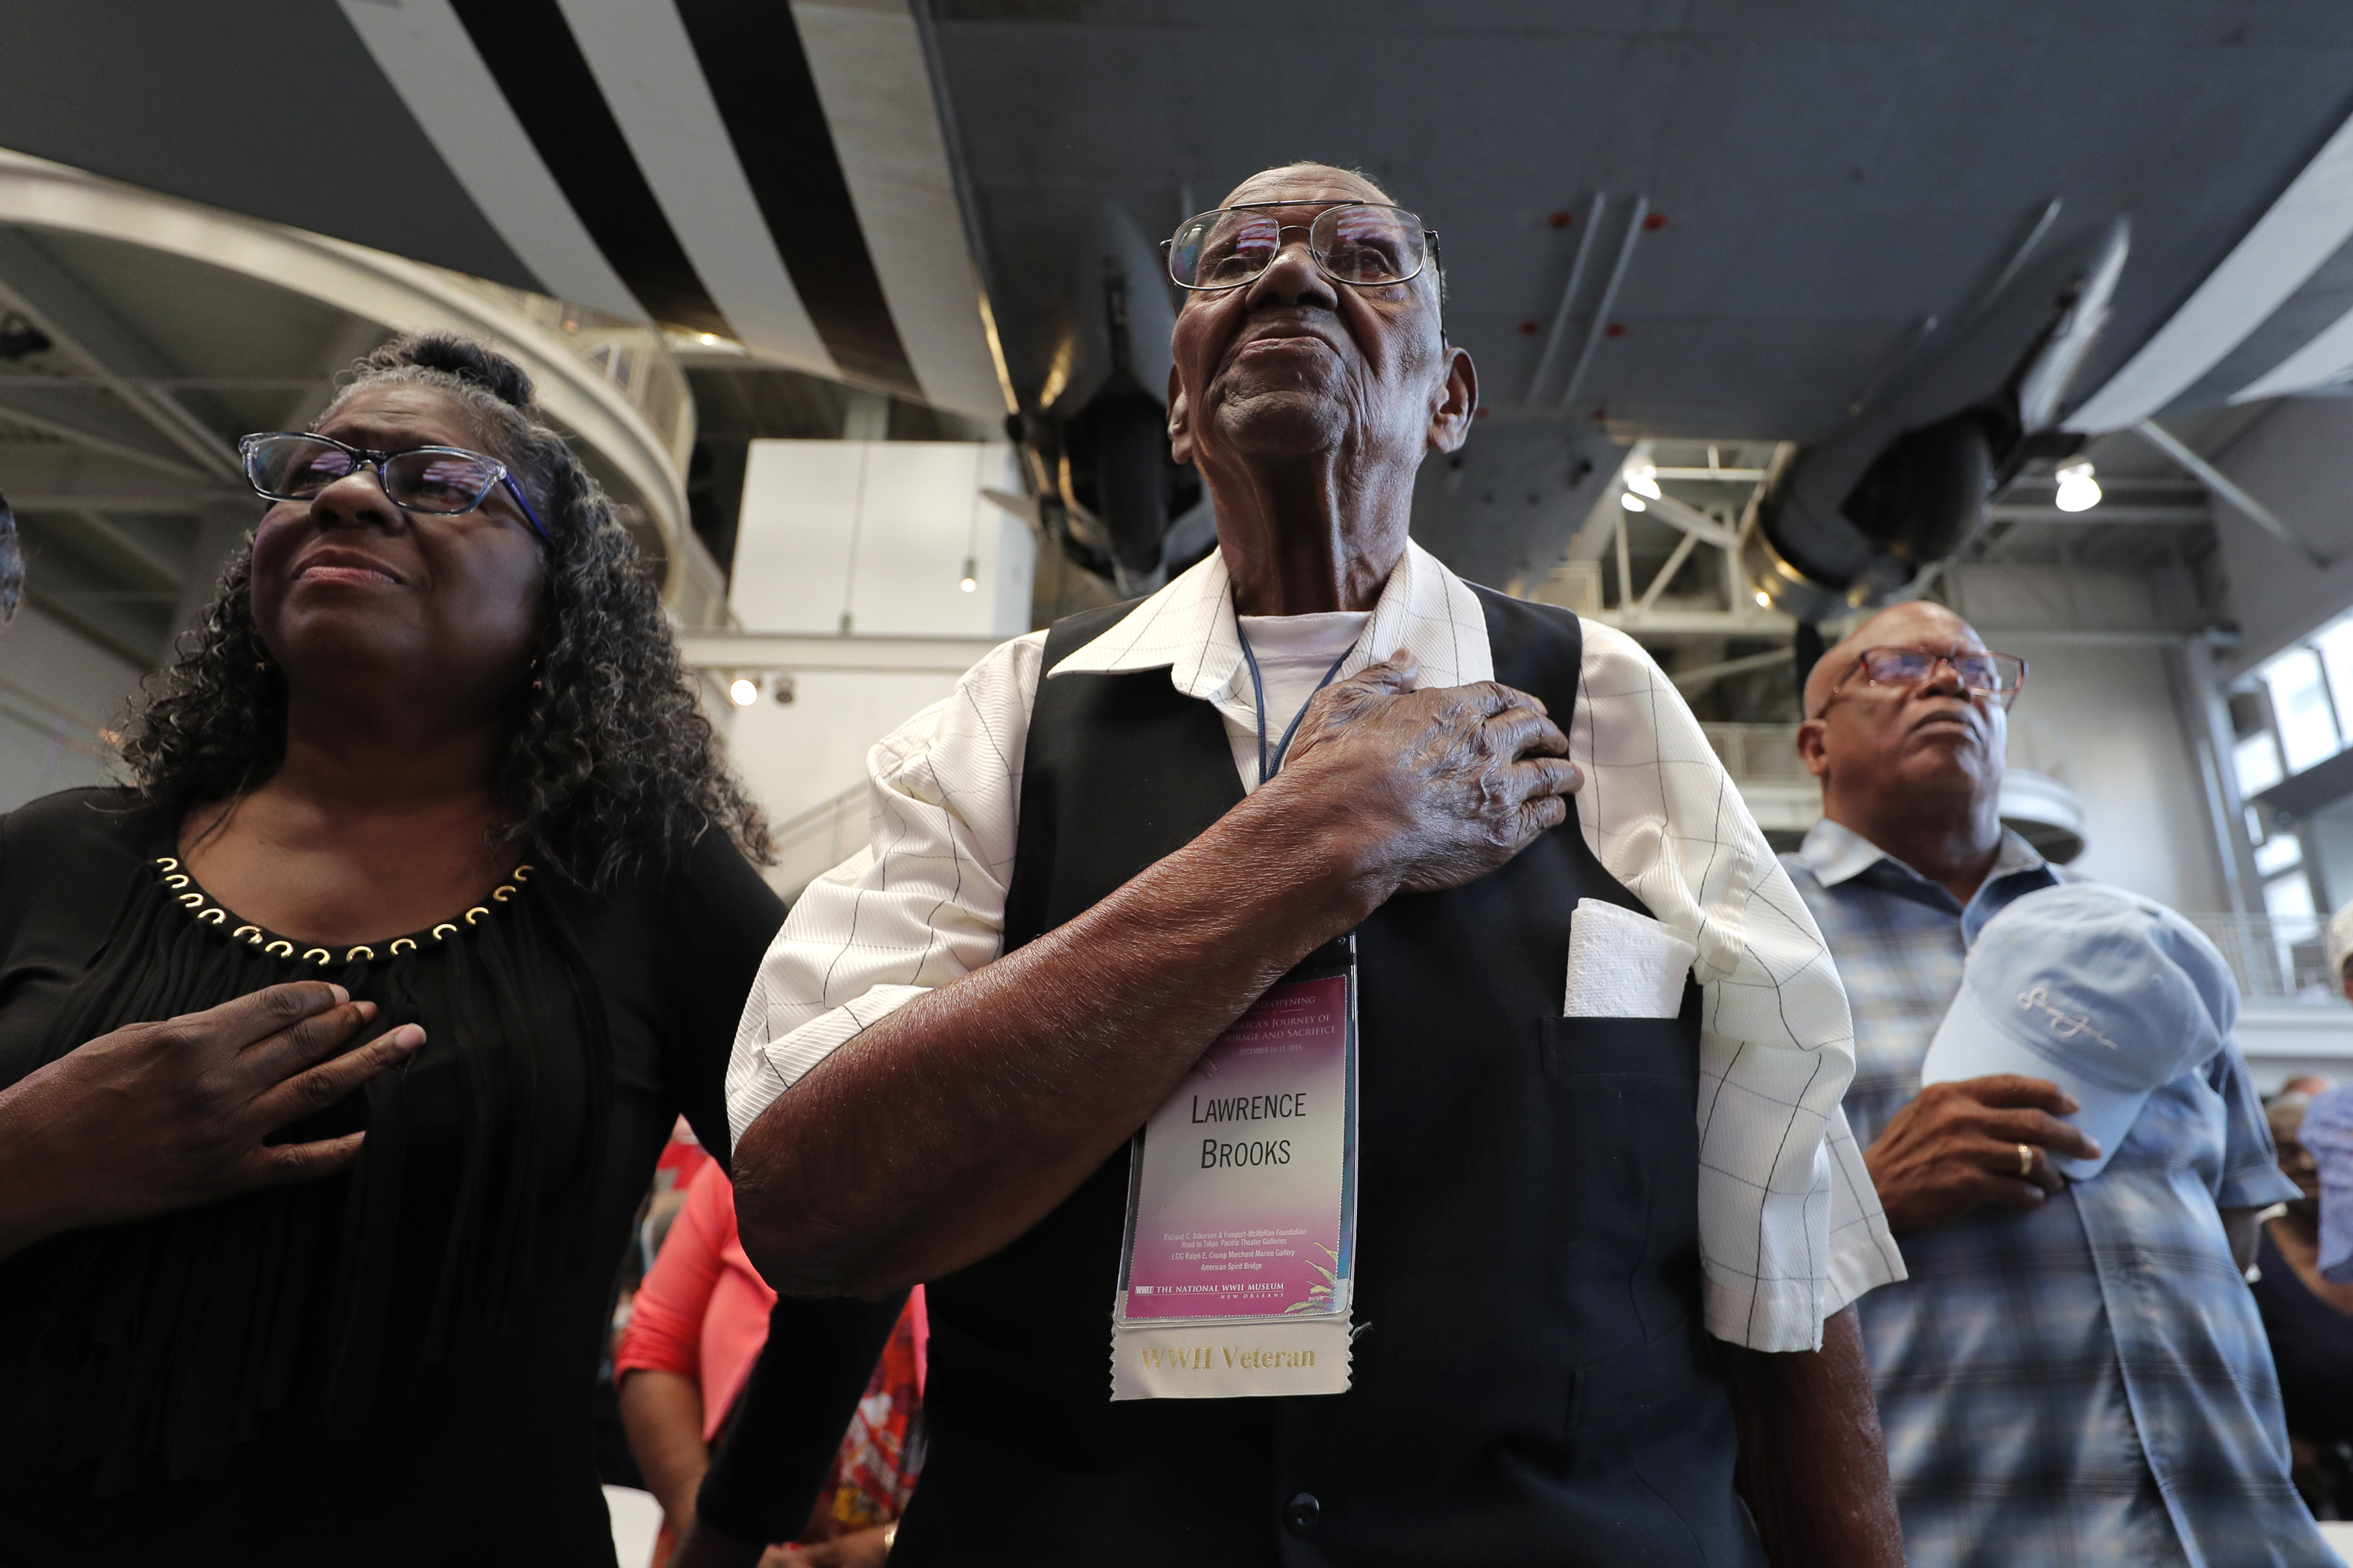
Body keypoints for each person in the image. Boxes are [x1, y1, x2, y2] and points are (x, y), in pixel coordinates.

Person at [726, 161, 1906, 1566]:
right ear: (1176, 403)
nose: (1289, 276)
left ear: (1452, 398)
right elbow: (809, 1199)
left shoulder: (1606, 699)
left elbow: (1785, 1241)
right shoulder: (1012, 719)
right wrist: (1311, 842)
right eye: (1233, 262)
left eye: (1363, 256)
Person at [0, 333, 892, 1564]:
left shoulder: (645, 892)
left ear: (555, 594)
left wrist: (728, 1525)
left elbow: (866, 1220)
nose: (351, 493)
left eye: (441, 482)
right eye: (314, 469)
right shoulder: (52, 859)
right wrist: (32, 1154)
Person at [1786, 599, 2323, 1564]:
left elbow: (2235, 1221)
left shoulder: (2152, 950)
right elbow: (1657, 1253)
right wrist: (1861, 1201)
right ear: (1814, 743)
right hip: (1964, 1530)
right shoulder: (1754, 943)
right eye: (1900, 667)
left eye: (1978, 670)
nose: (1951, 681)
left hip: (2241, 1526)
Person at [619, 1157, 922, 1566]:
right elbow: (655, 1349)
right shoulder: (745, 1168)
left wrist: (875, 1549)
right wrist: (711, 1530)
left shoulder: (995, 1188)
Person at [2252, 1087, 2353, 1516]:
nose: (2308, 1164)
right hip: (2284, 1488)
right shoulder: (2241, 1254)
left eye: (2322, 1149)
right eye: (2287, 1150)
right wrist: (2276, 1443)